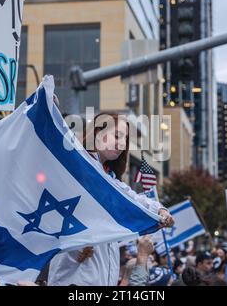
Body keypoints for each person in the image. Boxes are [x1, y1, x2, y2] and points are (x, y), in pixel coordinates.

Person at [47, 113, 174, 286]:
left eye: (125, 139)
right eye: (117, 136)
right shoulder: (74, 167)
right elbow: (52, 143)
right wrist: (49, 110)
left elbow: (136, 199)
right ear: (97, 132)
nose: (121, 144)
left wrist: (160, 211)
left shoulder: (112, 182)